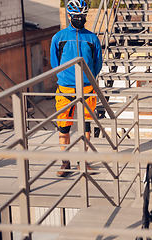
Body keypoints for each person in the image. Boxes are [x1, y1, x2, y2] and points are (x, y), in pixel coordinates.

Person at [50, 0, 102, 177]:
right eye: (77, 17)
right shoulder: (59, 37)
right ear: (70, 17)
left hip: (87, 89)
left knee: (85, 127)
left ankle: (83, 162)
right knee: (64, 126)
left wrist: (89, 78)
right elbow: (54, 62)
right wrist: (65, 77)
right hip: (65, 89)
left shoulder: (92, 38)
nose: (81, 19)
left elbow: (97, 63)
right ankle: (65, 162)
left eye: (83, 16)